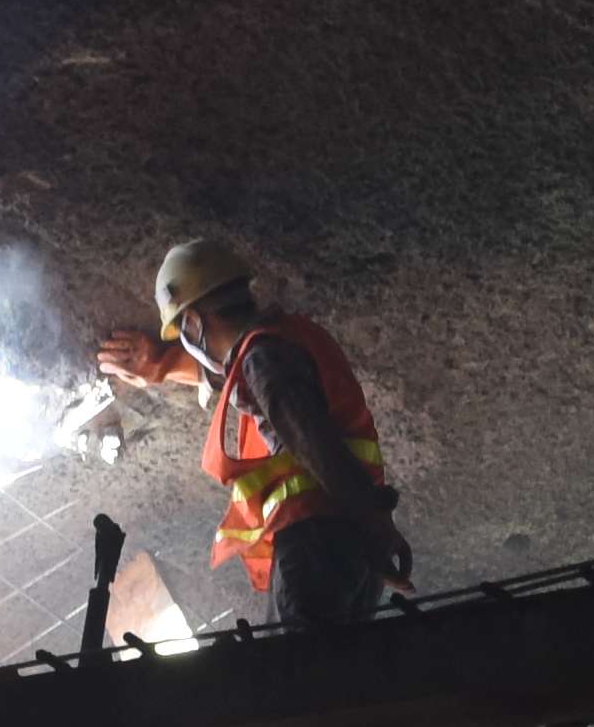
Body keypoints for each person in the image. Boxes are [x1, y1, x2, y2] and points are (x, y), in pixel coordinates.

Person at [92, 237, 402, 627]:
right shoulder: (288, 339)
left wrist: (375, 522)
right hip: (349, 544)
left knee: (298, 663)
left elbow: (313, 441)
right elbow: (236, 374)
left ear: (193, 323)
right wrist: (161, 366)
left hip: (316, 541)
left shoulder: (264, 360)